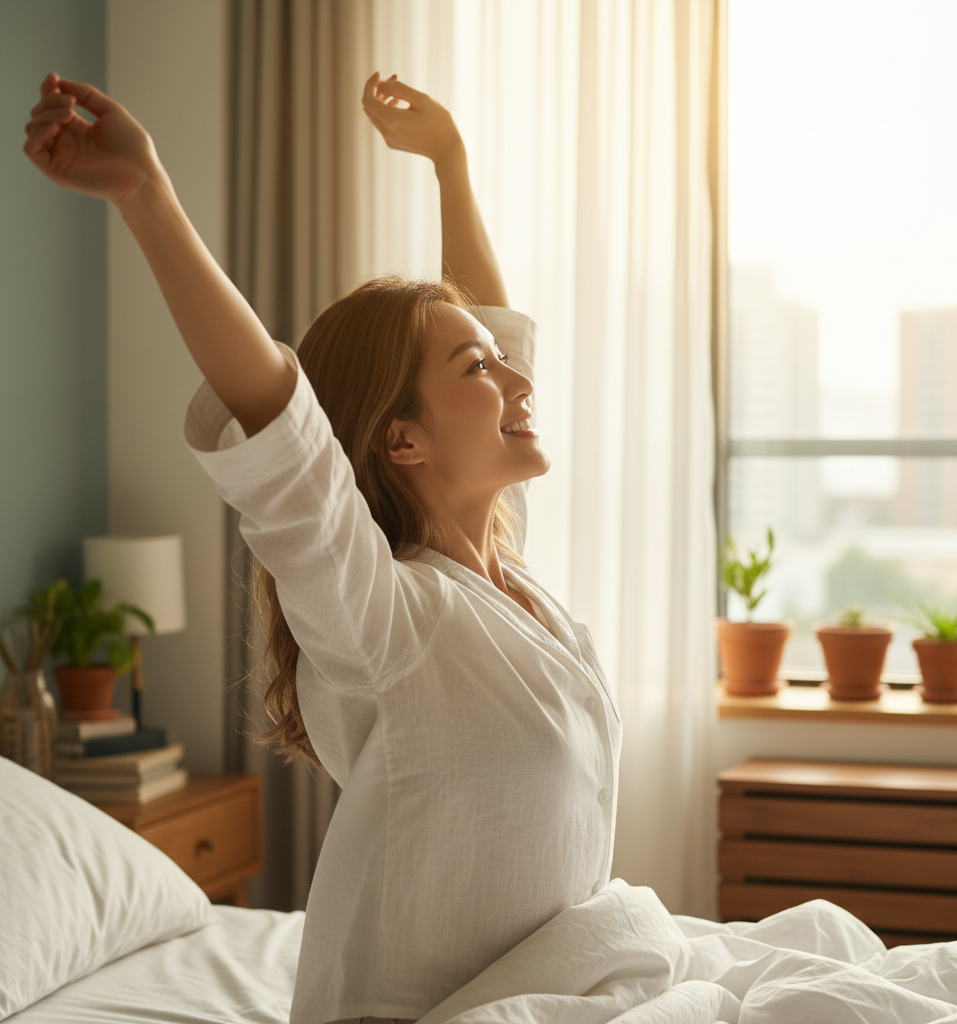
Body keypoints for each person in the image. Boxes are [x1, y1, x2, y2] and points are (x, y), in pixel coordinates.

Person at [25, 70, 621, 1024]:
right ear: (402, 441)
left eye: (505, 362)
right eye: (480, 368)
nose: (519, 379)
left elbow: (499, 333)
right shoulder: (388, 618)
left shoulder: (510, 585)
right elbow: (281, 425)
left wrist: (451, 165)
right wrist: (146, 195)